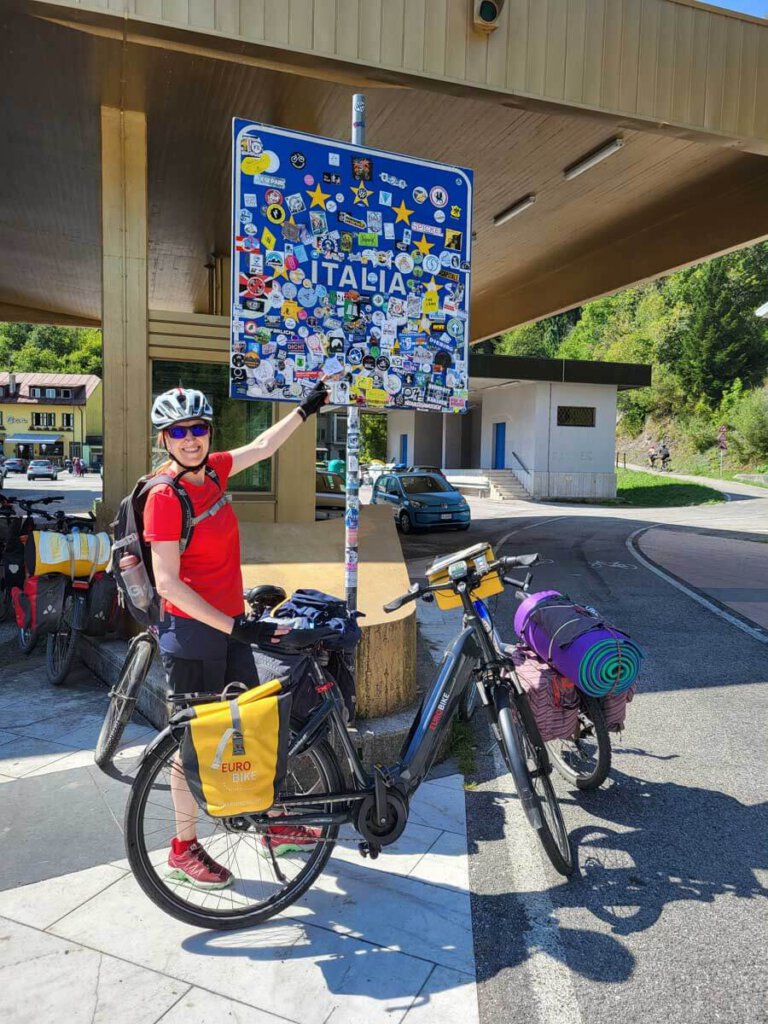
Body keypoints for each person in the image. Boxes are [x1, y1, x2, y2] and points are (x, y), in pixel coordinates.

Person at [144, 380, 328, 890]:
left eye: (197, 429)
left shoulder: (215, 472)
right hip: (193, 636)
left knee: (255, 724)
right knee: (193, 746)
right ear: (164, 439)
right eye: (177, 431)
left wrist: (306, 408)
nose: (190, 439)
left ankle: (271, 825)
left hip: (230, 628)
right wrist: (231, 624)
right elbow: (167, 583)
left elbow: (264, 446)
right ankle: (183, 848)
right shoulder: (164, 496)